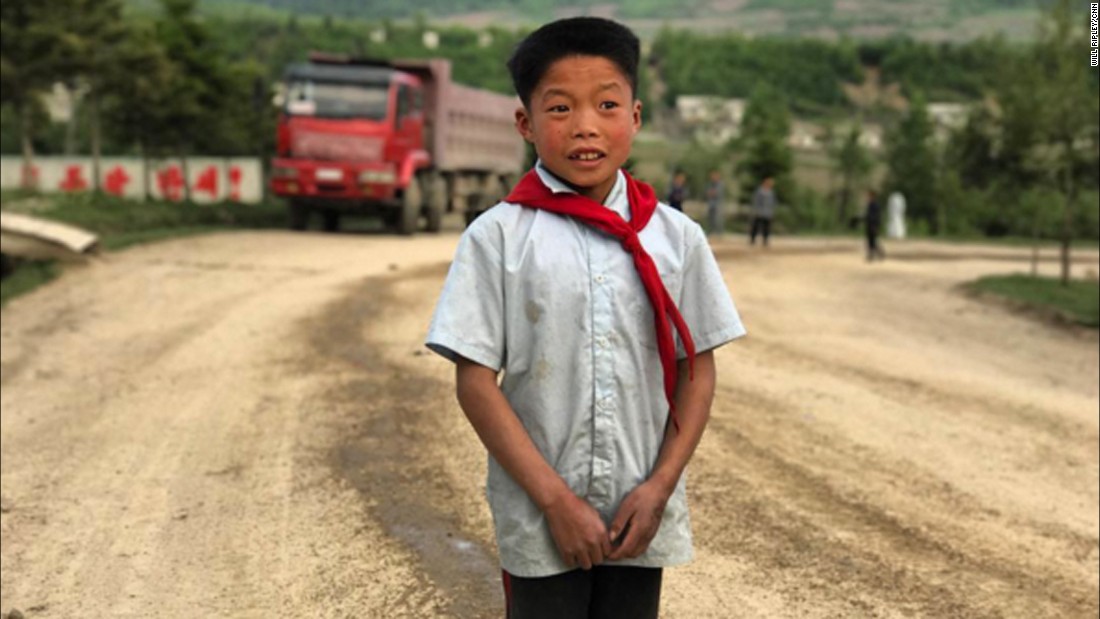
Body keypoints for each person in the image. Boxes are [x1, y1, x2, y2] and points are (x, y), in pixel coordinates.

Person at [425, 17, 745, 619]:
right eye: (560, 108)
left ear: (636, 116)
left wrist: (661, 487)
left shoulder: (675, 238)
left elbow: (696, 369)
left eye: (606, 104)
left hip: (638, 513)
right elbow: (475, 382)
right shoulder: (497, 238)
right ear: (525, 123)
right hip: (541, 516)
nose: (585, 127)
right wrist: (554, 501)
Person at [749, 176, 776, 247]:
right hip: (759, 212)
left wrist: (771, 211)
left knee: (766, 228)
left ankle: (765, 240)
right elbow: (756, 201)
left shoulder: (771, 192)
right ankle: (752, 239)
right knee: (756, 226)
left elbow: (772, 203)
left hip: (767, 213)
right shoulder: (759, 191)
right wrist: (756, 210)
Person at [864, 189, 885, 262]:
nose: (868, 197)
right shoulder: (870, 205)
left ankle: (879, 253)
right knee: (870, 241)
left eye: (869, 196)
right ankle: (872, 255)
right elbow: (868, 215)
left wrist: (876, 226)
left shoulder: (876, 205)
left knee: (873, 241)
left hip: (873, 225)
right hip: (869, 224)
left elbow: (877, 216)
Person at [704, 169, 724, 236]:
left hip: (717, 205)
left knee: (717, 219)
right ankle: (710, 231)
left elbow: (716, 193)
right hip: (711, 204)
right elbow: (708, 193)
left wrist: (712, 192)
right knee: (710, 219)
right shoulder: (710, 184)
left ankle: (719, 233)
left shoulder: (720, 184)